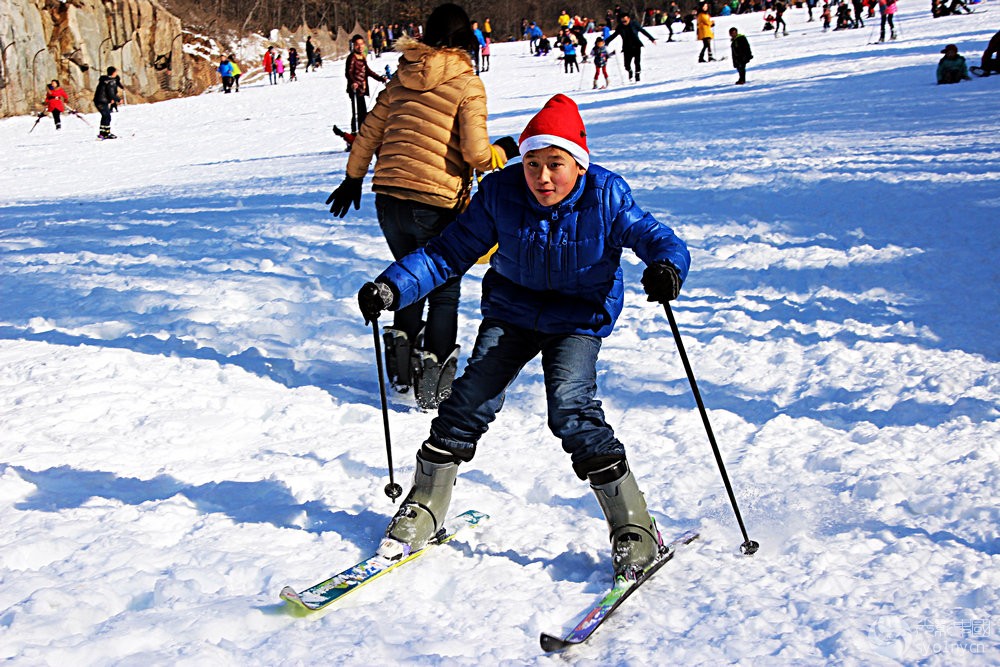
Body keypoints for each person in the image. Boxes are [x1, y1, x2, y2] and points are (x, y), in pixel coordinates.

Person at [355, 93, 691, 581]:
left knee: (571, 408)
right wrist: (391, 287)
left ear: (578, 163)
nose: (543, 177)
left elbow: (656, 237)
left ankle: (634, 525)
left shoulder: (606, 194)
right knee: (468, 400)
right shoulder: (501, 192)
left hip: (578, 316)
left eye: (555, 164)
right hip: (512, 311)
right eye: (532, 163)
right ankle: (426, 504)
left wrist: (666, 267)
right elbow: (446, 254)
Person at [327, 3, 518, 409]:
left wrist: (353, 177)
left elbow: (369, 133)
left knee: (408, 279)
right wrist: (503, 151)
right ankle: (434, 389)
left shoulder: (400, 78)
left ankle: (400, 372)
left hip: (389, 200)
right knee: (444, 291)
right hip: (435, 201)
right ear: (464, 37)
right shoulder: (467, 83)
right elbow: (475, 152)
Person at [345, 34, 387, 134]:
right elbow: (349, 72)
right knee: (356, 113)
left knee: (362, 114)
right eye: (357, 45)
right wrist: (353, 82)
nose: (360, 47)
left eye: (361, 44)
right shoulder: (352, 58)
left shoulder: (362, 57)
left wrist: (380, 78)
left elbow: (368, 71)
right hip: (355, 89)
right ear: (353, 45)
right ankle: (355, 133)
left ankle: (362, 133)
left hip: (362, 89)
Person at [606, 12, 656, 81]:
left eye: (625, 21)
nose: (624, 22)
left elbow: (642, 31)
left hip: (636, 45)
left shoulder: (634, 24)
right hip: (627, 48)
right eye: (622, 21)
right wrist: (606, 42)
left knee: (637, 62)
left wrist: (651, 38)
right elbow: (614, 35)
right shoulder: (620, 27)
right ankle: (630, 71)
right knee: (626, 65)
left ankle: (637, 75)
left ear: (629, 19)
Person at [93, 66, 122, 139]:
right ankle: (106, 133)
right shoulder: (110, 81)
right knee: (107, 116)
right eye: (116, 72)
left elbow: (105, 92)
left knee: (105, 116)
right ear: (113, 73)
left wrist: (110, 99)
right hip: (102, 101)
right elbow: (111, 93)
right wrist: (118, 99)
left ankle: (103, 133)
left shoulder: (104, 80)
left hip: (99, 100)